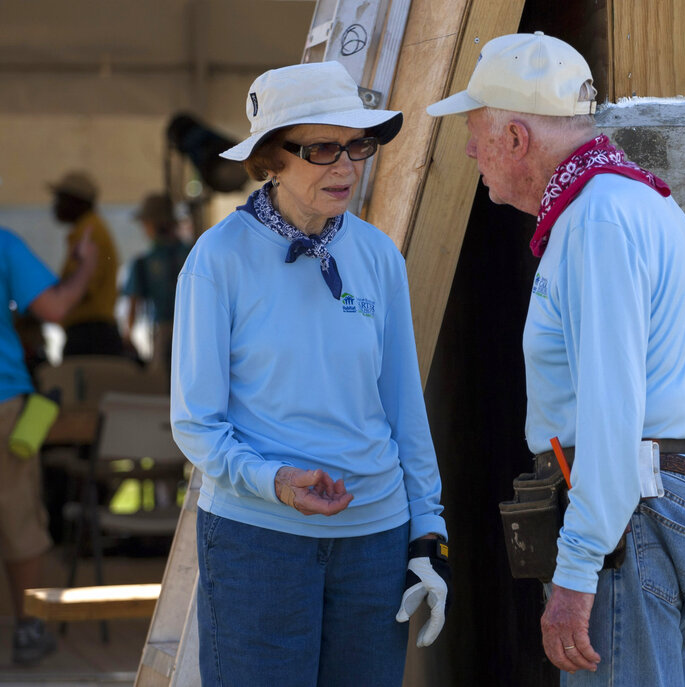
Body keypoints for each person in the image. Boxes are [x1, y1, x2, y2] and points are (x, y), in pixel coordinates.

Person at [427, 32, 685, 686]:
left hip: (626, 521)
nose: (471, 148)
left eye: (476, 129)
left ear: (517, 138)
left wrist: (579, 569)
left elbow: (611, 414)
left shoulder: (596, 221)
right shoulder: (631, 200)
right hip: (649, 504)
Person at [170, 61, 450, 687]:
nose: (347, 166)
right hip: (257, 542)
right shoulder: (217, 261)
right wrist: (275, 481)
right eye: (322, 148)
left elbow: (405, 408)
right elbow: (195, 424)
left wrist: (428, 530)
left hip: (375, 542)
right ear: (271, 158)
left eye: (358, 145)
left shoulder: (377, 254)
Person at [0, 224, 97, 664]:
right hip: (4, 401)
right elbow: (54, 308)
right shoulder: (4, 243)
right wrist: (86, 267)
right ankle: (28, 630)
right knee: (19, 518)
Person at [49, 170, 122, 358]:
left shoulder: (90, 233)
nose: (55, 206)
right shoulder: (89, 230)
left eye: (60, 199)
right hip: (91, 333)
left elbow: (81, 288)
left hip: (90, 336)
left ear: (76, 201)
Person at [122, 192, 189, 376]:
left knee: (161, 384)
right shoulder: (195, 253)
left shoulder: (143, 263)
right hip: (194, 330)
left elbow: (133, 306)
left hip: (162, 334)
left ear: (153, 225)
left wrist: (127, 337)